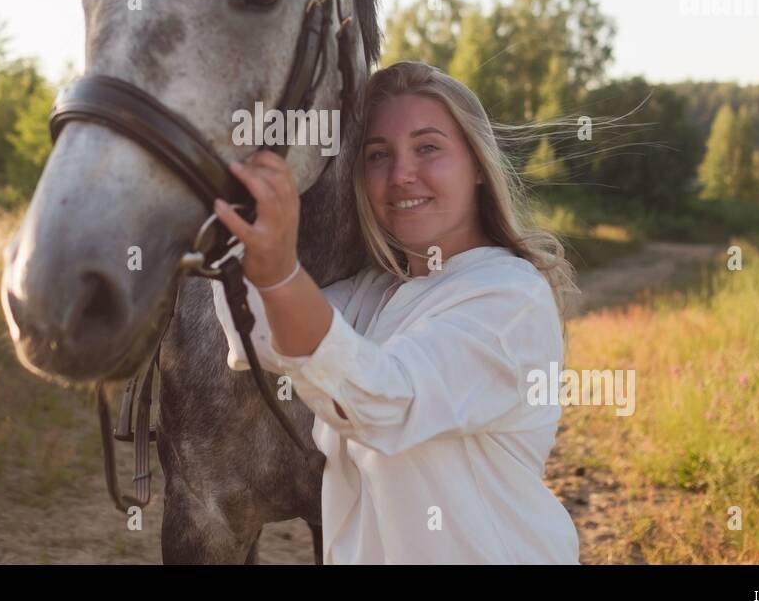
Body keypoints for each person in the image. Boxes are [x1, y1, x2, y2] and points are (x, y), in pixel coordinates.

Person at [210, 60, 580, 564]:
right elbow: (257, 334)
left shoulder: (509, 297)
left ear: (476, 165)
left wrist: (280, 273)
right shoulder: (374, 294)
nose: (402, 174)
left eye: (428, 147)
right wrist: (224, 213)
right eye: (378, 155)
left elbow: (383, 402)